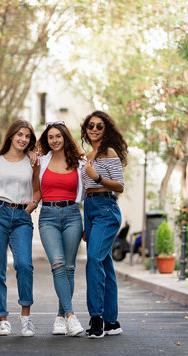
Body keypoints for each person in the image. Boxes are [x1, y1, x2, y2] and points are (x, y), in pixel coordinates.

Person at [0, 120, 41, 337]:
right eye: (19, 134)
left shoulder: (33, 162)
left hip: (22, 216)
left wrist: (32, 205)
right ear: (11, 136)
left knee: (24, 265)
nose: (23, 139)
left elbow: (37, 191)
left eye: (27, 136)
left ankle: (26, 317)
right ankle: (2, 319)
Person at [80, 110, 128, 339]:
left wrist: (96, 176)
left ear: (105, 129)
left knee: (94, 259)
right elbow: (83, 191)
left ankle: (96, 318)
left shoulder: (109, 152)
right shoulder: (88, 154)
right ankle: (112, 321)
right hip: (90, 210)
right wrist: (83, 221)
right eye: (91, 125)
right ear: (86, 128)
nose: (95, 129)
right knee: (105, 264)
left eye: (100, 126)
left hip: (106, 209)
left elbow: (119, 186)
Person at [36, 121, 86, 336]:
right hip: (48, 217)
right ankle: (71, 316)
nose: (54, 140)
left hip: (73, 215)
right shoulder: (40, 160)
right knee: (57, 264)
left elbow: (88, 193)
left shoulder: (80, 162)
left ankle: (59, 317)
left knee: (69, 268)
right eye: (50, 137)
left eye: (58, 136)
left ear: (65, 137)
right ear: (46, 140)